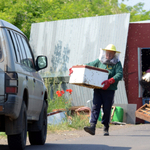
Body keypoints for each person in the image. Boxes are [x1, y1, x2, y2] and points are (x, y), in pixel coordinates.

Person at [84, 44, 123, 136]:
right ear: (104, 53)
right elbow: (88, 65)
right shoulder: (99, 61)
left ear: (114, 54)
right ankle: (92, 126)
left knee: (107, 108)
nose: (108, 55)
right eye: (107, 53)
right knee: (95, 106)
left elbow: (119, 74)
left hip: (109, 90)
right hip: (98, 88)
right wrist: (76, 68)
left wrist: (110, 81)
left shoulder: (117, 63)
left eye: (111, 54)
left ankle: (106, 127)